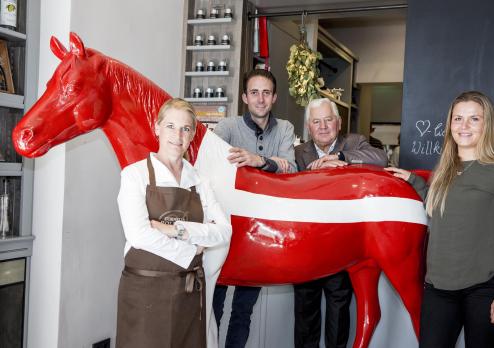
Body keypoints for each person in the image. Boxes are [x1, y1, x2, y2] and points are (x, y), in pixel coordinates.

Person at [386, 91, 494, 348]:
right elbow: (438, 208)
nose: (464, 126)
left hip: (484, 290)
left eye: (474, 119)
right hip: (438, 287)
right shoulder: (444, 169)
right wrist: (413, 181)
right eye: (458, 119)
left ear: (487, 124)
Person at [116, 98, 232, 348]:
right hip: (145, 292)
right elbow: (139, 236)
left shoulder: (199, 181)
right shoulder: (134, 175)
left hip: (188, 294)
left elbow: (223, 231)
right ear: (157, 127)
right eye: (170, 126)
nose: (177, 135)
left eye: (185, 129)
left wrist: (174, 229)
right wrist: (192, 249)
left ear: (192, 135)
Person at [212, 68, 297, 348]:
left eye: (266, 93)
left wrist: (258, 160)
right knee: (214, 307)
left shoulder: (285, 128)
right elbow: (211, 166)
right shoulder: (226, 128)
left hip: (258, 234)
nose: (260, 99)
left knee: (243, 311)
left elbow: (291, 168)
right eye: (254, 92)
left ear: (274, 98)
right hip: (224, 230)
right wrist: (274, 162)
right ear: (245, 97)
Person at [293, 98, 387, 348]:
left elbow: (380, 158)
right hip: (308, 244)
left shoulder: (354, 142)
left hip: (340, 244)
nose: (323, 126)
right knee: (305, 309)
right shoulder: (298, 153)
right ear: (308, 126)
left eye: (328, 120)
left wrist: (340, 156)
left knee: (338, 307)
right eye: (316, 121)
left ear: (339, 122)